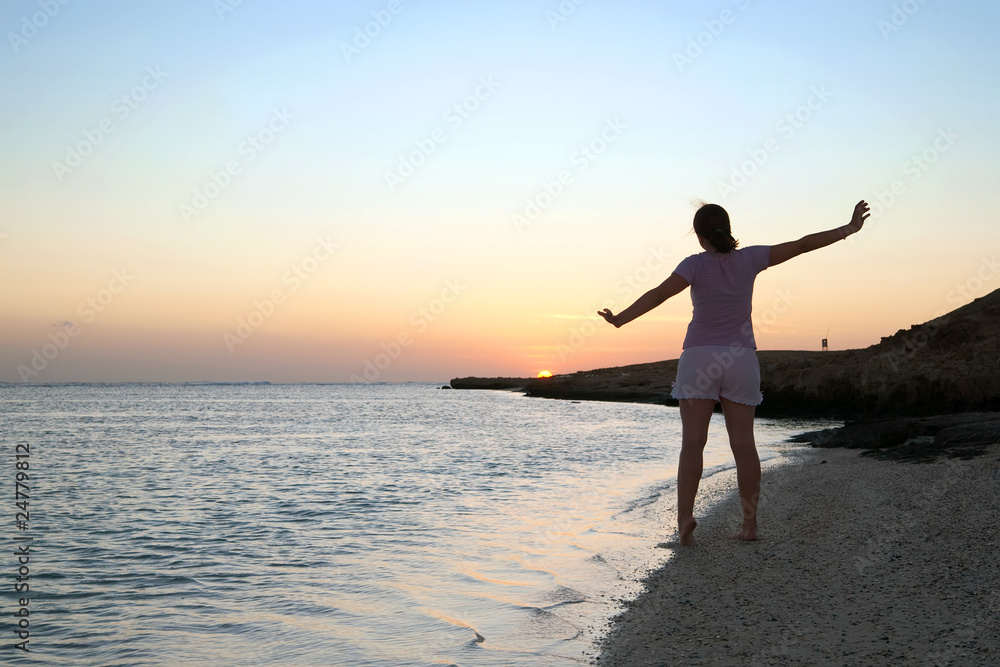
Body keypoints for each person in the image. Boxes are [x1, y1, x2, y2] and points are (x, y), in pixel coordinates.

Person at [598, 200, 870, 545]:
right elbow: (801, 245)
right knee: (744, 445)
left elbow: (658, 295)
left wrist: (620, 318)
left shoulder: (694, 265)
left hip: (699, 357)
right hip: (740, 359)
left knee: (692, 444)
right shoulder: (751, 258)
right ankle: (749, 526)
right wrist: (848, 229)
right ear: (726, 228)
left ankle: (684, 522)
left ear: (699, 236)